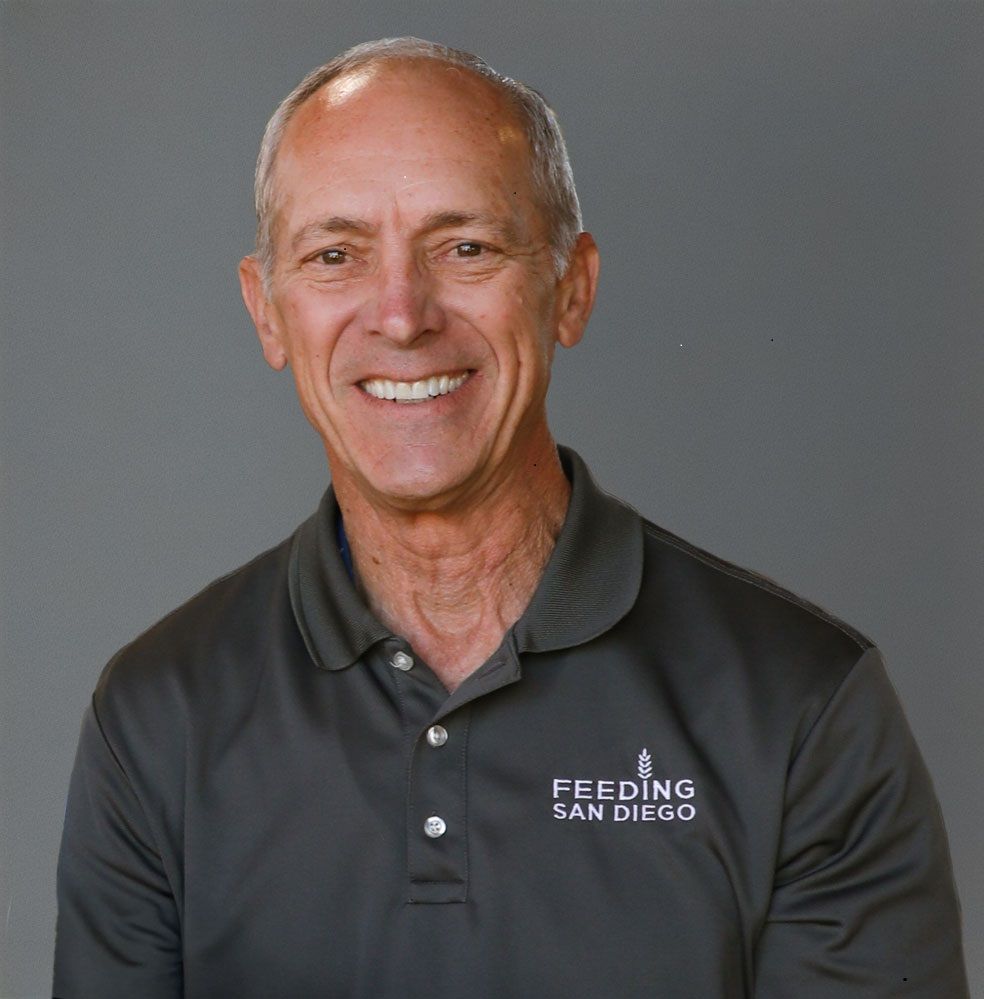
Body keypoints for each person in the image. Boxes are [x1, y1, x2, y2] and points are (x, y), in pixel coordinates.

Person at [53, 37, 969, 998]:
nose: (401, 315)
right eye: (335, 255)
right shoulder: (156, 718)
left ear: (571, 288)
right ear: (267, 311)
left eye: (466, 248)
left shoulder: (801, 707)